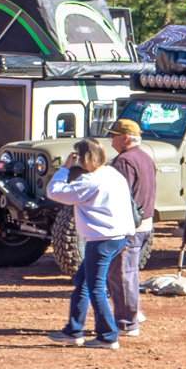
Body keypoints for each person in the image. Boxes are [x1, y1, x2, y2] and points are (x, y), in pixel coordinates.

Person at [44, 139, 136, 348]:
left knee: (95, 288)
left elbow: (54, 192)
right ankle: (73, 330)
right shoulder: (113, 174)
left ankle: (107, 336)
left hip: (101, 239)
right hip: (117, 236)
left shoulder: (90, 180)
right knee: (83, 281)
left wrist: (64, 168)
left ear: (85, 157)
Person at [107, 117, 156, 337]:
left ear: (125, 138)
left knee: (121, 275)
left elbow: (120, 195)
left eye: (113, 135)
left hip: (128, 227)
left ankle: (128, 323)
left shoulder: (123, 161)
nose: (110, 140)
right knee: (127, 273)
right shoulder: (145, 157)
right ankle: (133, 314)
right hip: (144, 225)